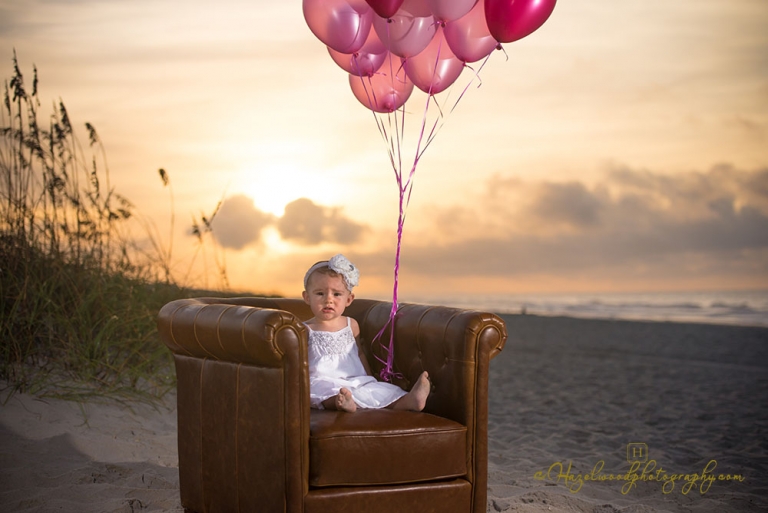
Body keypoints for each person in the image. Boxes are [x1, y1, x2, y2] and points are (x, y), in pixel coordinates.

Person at [302, 254, 430, 413]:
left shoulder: (351, 325)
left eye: (337, 294)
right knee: (322, 392)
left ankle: (410, 401)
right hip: (324, 381)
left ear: (349, 299)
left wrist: (370, 378)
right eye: (320, 293)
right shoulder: (305, 329)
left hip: (355, 380)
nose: (329, 300)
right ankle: (341, 402)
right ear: (307, 297)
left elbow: (360, 354)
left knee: (380, 392)